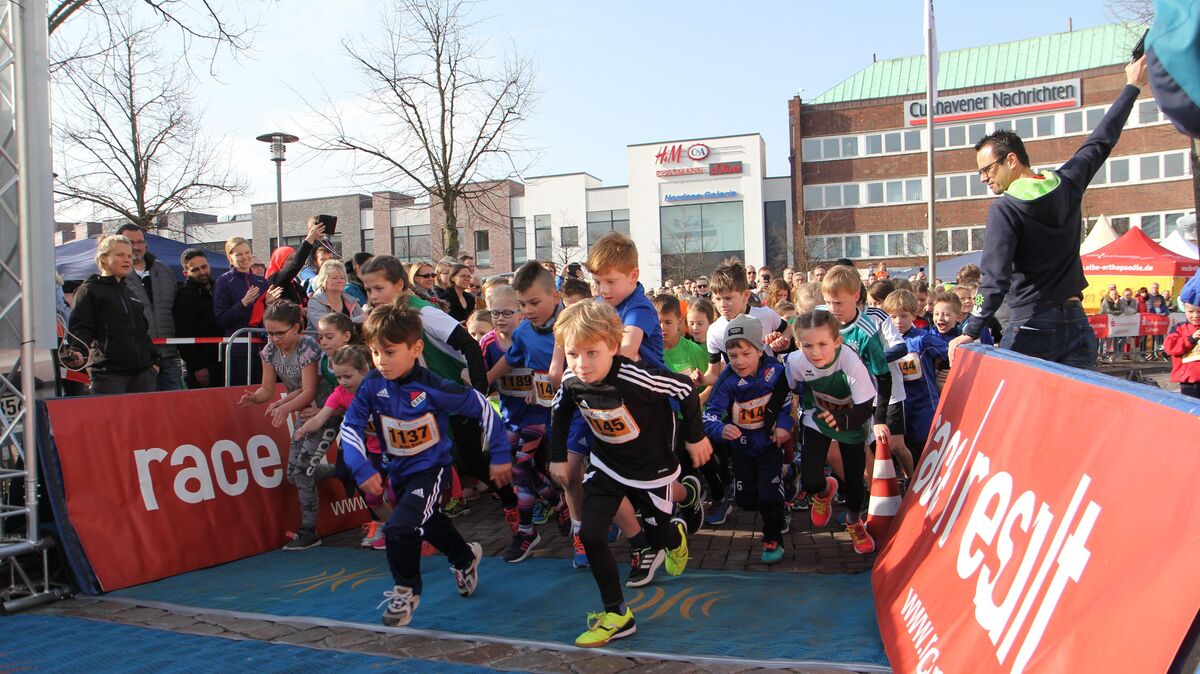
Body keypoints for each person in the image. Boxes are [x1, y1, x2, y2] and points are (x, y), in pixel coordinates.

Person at [951, 57, 1149, 368]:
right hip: (1077, 322)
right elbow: (1100, 141)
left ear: (1012, 160)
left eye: (987, 169)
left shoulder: (1005, 209)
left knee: (1024, 415)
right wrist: (1132, 86)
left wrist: (970, 330)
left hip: (1031, 326)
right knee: (1079, 416)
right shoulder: (1068, 182)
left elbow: (994, 279)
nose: (983, 177)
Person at [549, 300, 712, 648]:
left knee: (658, 537)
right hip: (607, 465)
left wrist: (696, 437)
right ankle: (616, 614)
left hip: (651, 468)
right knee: (592, 535)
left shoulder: (633, 376)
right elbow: (559, 410)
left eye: (592, 353)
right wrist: (558, 456)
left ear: (612, 345)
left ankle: (674, 534)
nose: (582, 363)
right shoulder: (573, 380)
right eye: (573, 354)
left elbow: (685, 389)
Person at [340, 304, 509, 627]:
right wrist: (363, 469)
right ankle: (464, 557)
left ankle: (406, 591)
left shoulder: (433, 386)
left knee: (400, 528)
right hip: (397, 473)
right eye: (375, 353)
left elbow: (482, 407)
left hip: (431, 471)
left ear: (416, 349)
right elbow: (350, 427)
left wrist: (500, 454)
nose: (381, 361)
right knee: (429, 522)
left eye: (390, 352)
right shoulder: (373, 385)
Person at [767, 309, 878, 555]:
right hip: (817, 418)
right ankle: (825, 491)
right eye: (807, 345)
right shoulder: (796, 361)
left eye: (822, 344)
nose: (815, 352)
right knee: (810, 480)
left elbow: (866, 407)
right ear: (798, 344)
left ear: (837, 341)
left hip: (851, 421)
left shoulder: (849, 360)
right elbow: (785, 389)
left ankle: (853, 521)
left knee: (854, 484)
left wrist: (843, 417)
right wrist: (771, 417)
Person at [236, 301, 333, 550]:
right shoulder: (269, 351)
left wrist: (284, 407)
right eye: (269, 333)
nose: (275, 338)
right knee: (293, 474)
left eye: (280, 333)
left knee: (301, 472)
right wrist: (255, 398)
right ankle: (342, 470)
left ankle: (309, 530)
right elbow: (267, 389)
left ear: (297, 328)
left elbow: (309, 389)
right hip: (303, 414)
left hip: (324, 411)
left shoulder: (308, 347)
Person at [702, 314, 793, 563]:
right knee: (746, 500)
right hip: (741, 449)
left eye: (746, 353)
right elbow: (709, 416)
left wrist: (783, 427)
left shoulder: (775, 371)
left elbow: (787, 407)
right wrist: (721, 429)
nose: (739, 361)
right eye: (733, 356)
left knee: (769, 497)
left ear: (759, 349)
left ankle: (772, 538)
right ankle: (788, 473)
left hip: (768, 445)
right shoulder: (727, 380)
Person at [293, 344, 394, 549]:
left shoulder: (381, 387)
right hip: (373, 451)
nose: (343, 382)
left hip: (396, 449)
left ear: (364, 371)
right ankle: (395, 529)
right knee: (373, 498)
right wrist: (303, 431)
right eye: (338, 377)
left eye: (347, 376)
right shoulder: (339, 393)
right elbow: (321, 417)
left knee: (394, 494)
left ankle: (413, 532)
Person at [63, 235, 159, 394]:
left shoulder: (130, 292)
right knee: (111, 420)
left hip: (143, 374)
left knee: (142, 419)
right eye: (120, 255)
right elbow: (81, 327)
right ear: (104, 258)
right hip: (109, 375)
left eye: (129, 255)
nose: (127, 259)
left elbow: (142, 331)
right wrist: (78, 350)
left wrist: (154, 363)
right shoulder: (89, 290)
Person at [882, 290, 948, 466]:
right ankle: (910, 481)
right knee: (903, 447)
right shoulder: (884, 341)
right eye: (893, 316)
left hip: (923, 404)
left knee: (925, 445)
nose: (898, 321)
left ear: (913, 315)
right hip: (899, 405)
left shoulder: (922, 339)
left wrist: (945, 370)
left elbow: (949, 352)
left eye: (903, 316)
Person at [115, 224, 181, 391]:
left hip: (168, 355)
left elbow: (175, 310)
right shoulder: (114, 276)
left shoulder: (164, 270)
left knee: (172, 410)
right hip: (136, 360)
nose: (136, 247)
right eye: (131, 242)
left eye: (140, 241)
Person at [213, 237, 270, 386]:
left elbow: (268, 315)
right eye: (238, 254)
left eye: (247, 252)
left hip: (262, 349)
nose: (245, 257)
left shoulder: (262, 282)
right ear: (230, 257)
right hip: (238, 351)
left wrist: (271, 304)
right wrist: (243, 303)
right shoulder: (224, 281)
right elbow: (221, 319)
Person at [174, 248, 223, 388]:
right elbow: (183, 333)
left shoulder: (218, 288)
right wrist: (197, 366)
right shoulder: (184, 296)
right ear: (186, 273)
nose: (202, 272)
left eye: (204, 267)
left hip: (222, 360)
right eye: (195, 269)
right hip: (201, 365)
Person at [307, 259, 365, 326]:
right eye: (334, 278)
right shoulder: (316, 302)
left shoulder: (351, 301)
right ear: (324, 280)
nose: (339, 281)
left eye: (342, 278)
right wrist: (357, 320)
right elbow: (325, 327)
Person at [1163, 292, 1200, 398]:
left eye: (1199, 311)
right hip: (1188, 380)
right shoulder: (1179, 328)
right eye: (1191, 312)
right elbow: (1170, 348)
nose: (1195, 315)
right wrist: (1191, 338)